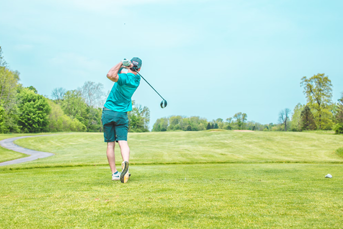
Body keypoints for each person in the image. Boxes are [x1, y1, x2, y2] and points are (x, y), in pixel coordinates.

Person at [102, 57, 142, 183]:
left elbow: (110, 74)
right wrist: (127, 67)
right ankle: (126, 165)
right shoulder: (137, 80)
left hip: (108, 112)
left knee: (110, 144)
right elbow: (122, 74)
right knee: (123, 142)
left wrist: (121, 63)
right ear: (139, 68)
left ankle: (114, 173)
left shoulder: (123, 78)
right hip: (121, 115)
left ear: (130, 66)